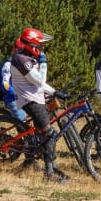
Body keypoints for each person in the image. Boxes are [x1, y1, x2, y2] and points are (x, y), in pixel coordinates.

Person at [10, 28, 69, 183]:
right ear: (31, 44)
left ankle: (51, 166)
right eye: (38, 45)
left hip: (37, 97)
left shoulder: (28, 55)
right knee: (49, 134)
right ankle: (49, 174)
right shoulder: (21, 59)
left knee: (44, 135)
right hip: (30, 100)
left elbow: (39, 83)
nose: (41, 49)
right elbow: (39, 81)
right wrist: (44, 64)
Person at [0, 39, 27, 121]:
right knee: (22, 121)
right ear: (14, 49)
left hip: (25, 98)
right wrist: (15, 92)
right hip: (13, 99)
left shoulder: (26, 64)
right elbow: (5, 84)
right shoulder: (8, 65)